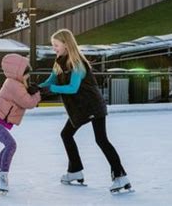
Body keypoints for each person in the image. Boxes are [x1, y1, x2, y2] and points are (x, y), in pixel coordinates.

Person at [38, 29, 132, 193]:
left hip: (92, 105)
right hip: (79, 108)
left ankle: (120, 176)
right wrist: (34, 88)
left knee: (101, 140)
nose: (54, 48)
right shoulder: (59, 62)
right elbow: (49, 81)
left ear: (66, 45)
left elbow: (72, 88)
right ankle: (75, 171)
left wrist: (51, 88)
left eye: (56, 45)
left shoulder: (77, 64)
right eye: (53, 45)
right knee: (66, 134)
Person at [0, 53, 41, 193]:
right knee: (11, 145)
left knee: (7, 145)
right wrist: (37, 94)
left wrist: (31, 91)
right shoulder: (14, 85)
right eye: (27, 74)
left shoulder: (14, 83)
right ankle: (3, 177)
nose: (28, 77)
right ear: (19, 72)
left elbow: (24, 98)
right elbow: (28, 102)